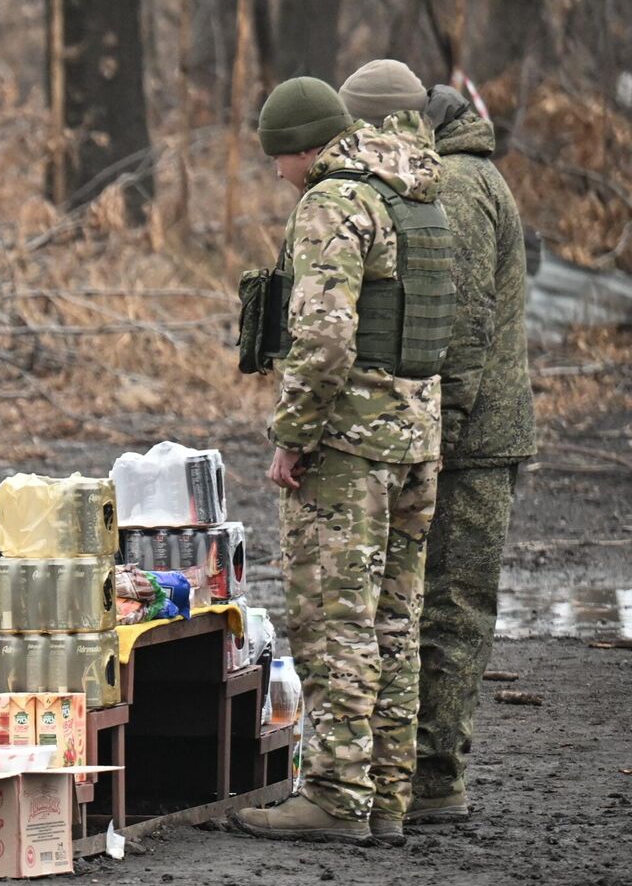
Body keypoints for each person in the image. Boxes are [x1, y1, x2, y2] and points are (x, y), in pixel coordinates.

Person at [231, 77, 447, 846]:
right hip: (416, 439)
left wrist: (292, 435)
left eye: (279, 157)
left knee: (335, 623)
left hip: (348, 449)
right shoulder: (418, 193)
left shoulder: (333, 200)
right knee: (394, 625)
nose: (278, 173)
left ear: (304, 146)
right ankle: (386, 796)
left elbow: (323, 338)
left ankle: (335, 795)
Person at [408, 83, 537, 825]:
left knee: (451, 609)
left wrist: (440, 435)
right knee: (446, 605)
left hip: (472, 441)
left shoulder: (457, 185)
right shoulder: (471, 174)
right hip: (477, 433)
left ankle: (434, 780)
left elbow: (461, 324)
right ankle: (424, 771)